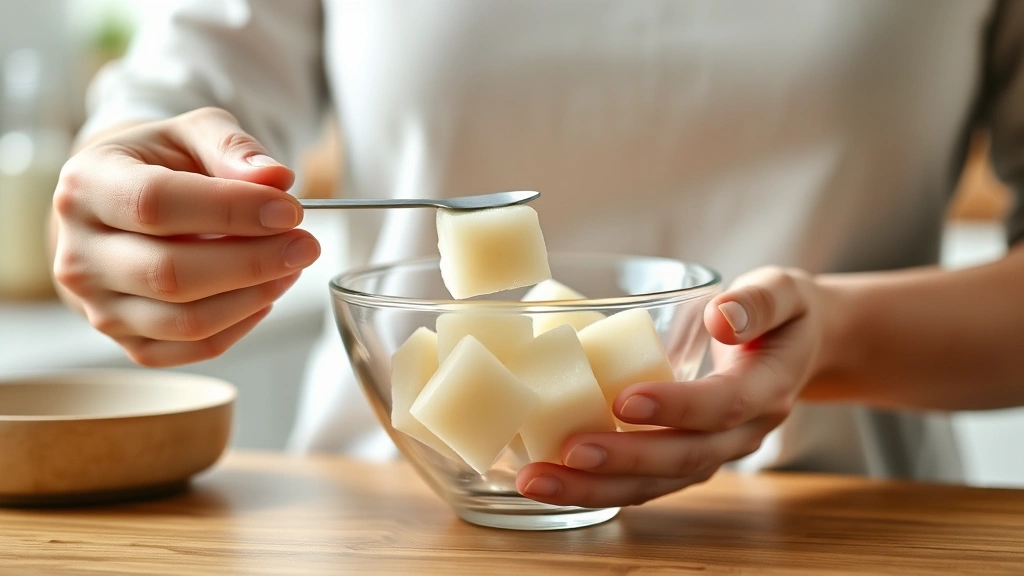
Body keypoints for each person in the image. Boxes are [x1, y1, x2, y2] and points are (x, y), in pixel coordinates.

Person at [50, 0, 1024, 508]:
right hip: (391, 524)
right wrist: (127, 197)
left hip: (841, 531)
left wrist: (837, 335)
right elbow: (169, 97)